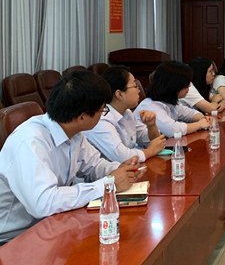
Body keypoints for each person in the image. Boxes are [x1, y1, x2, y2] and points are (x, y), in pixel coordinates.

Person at [0, 71, 138, 243]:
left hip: (52, 223)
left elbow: (94, 165)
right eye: (103, 110)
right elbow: (44, 203)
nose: (103, 114)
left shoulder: (74, 132)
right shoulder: (31, 141)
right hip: (14, 239)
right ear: (82, 117)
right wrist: (107, 184)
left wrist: (120, 169)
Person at [85, 66, 167, 163]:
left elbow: (154, 142)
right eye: (135, 86)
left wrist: (151, 125)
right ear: (119, 94)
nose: (139, 91)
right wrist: (151, 151)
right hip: (109, 171)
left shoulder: (127, 113)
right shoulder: (101, 119)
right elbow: (122, 157)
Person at [135, 61, 210, 137]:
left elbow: (190, 113)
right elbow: (173, 130)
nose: (190, 86)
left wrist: (203, 118)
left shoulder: (169, 101)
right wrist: (199, 125)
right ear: (174, 85)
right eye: (186, 83)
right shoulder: (151, 106)